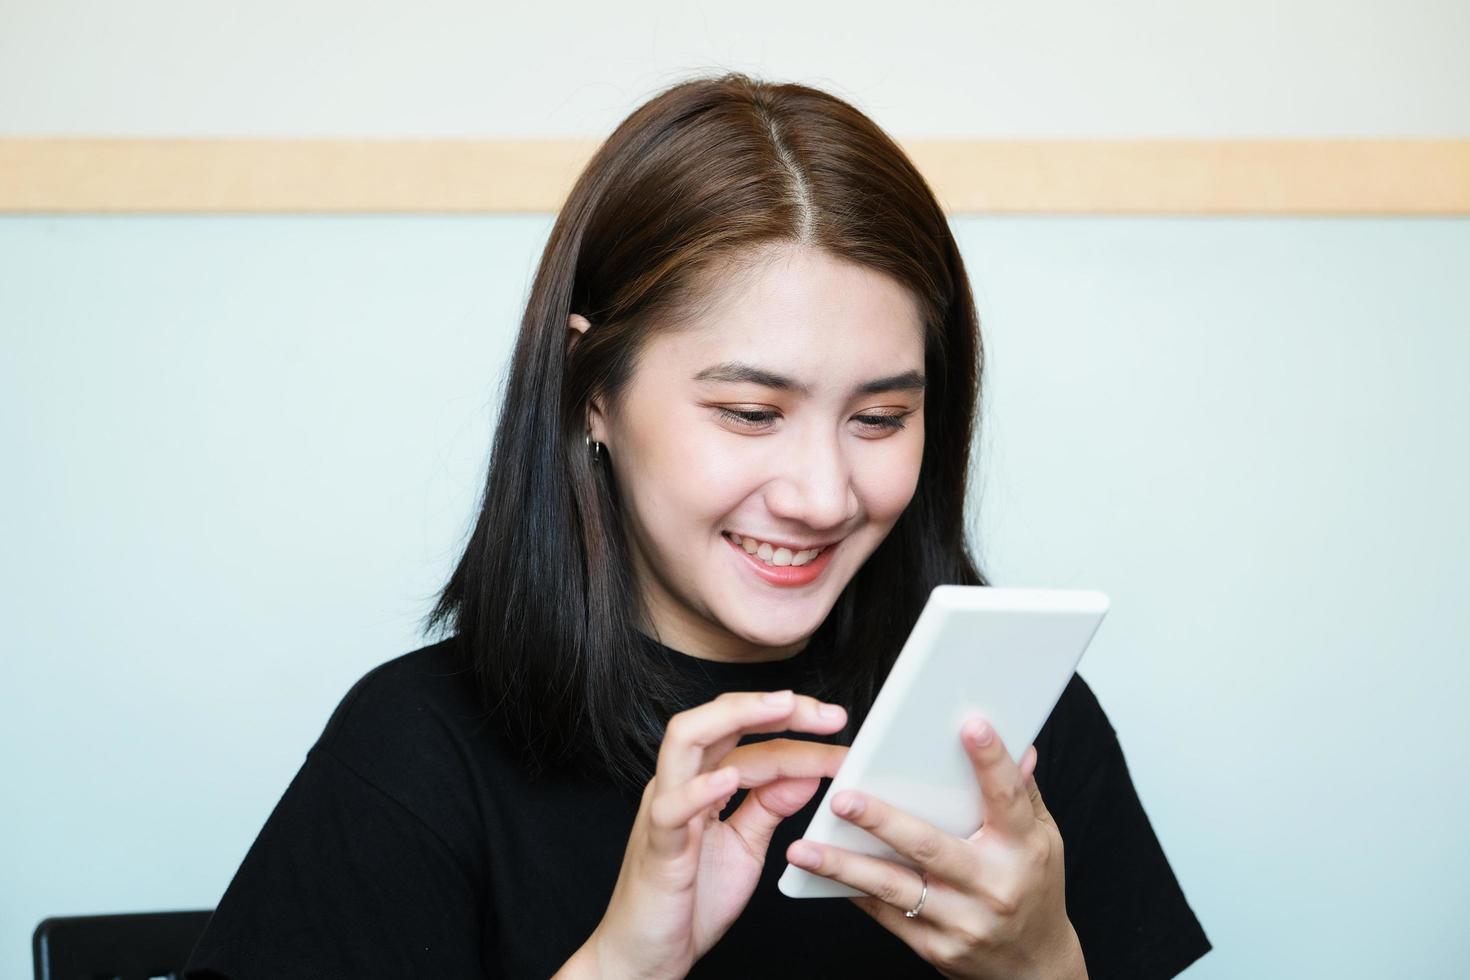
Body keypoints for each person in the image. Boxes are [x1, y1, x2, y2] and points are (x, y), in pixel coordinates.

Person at [183, 72, 1211, 979]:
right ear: (593, 392)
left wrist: (1040, 968)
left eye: (881, 418)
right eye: (751, 413)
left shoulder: (1011, 731)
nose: (821, 493)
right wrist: (623, 963)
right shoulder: (418, 752)